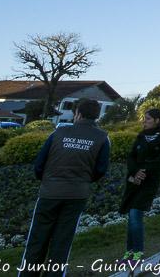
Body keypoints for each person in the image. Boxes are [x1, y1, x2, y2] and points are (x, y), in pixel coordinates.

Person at [19, 98, 110, 277]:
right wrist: (83, 180)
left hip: (49, 192)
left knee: (37, 239)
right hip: (76, 194)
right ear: (96, 116)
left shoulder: (58, 133)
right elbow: (100, 169)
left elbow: (39, 163)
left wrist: (47, 180)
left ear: (78, 114)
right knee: (62, 241)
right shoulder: (102, 138)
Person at [119, 108, 160, 263]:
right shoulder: (141, 135)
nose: (144, 121)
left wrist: (144, 172)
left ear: (157, 120)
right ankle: (129, 252)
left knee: (136, 213)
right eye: (144, 118)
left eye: (148, 119)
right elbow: (131, 156)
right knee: (131, 215)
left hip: (149, 181)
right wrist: (135, 172)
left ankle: (138, 253)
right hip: (134, 181)